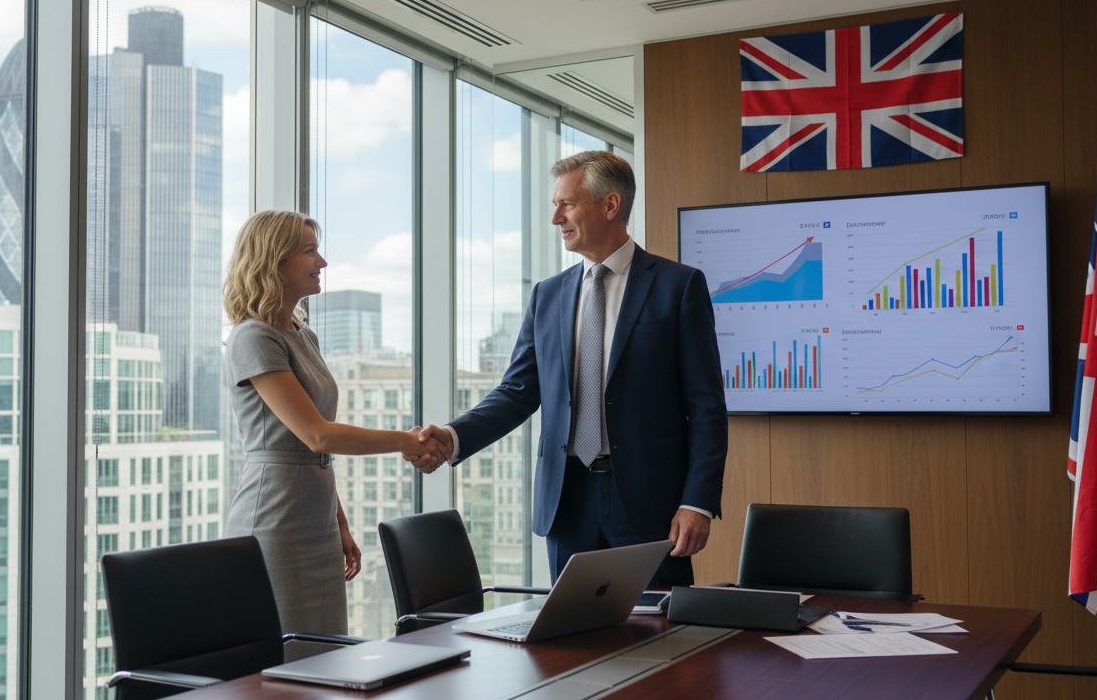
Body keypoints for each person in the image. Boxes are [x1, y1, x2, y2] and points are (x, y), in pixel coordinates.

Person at [411, 151, 728, 586]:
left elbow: (706, 405)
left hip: (649, 503)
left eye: (568, 203)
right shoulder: (548, 295)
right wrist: (452, 436)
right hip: (566, 500)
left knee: (658, 641)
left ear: (611, 205)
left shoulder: (678, 285)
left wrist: (699, 502)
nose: (556, 217)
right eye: (554, 206)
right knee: (572, 642)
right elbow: (517, 392)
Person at [223, 210, 447, 636]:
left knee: (324, 656)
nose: (322, 262)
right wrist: (407, 440)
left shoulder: (304, 336)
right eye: (310, 251)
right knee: (288, 662)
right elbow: (316, 434)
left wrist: (339, 522)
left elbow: (317, 447)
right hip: (275, 520)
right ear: (274, 260)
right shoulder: (253, 338)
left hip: (318, 519)